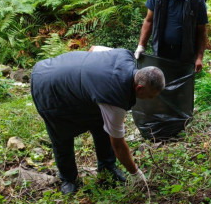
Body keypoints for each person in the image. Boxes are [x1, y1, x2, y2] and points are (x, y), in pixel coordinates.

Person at [31, 48, 165, 195]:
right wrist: (135, 173)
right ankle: (68, 179)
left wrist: (88, 83)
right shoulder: (114, 99)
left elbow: (94, 48)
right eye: (151, 96)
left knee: (102, 123)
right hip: (48, 84)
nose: (150, 99)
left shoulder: (124, 55)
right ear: (139, 88)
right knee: (61, 133)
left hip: (72, 79)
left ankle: (107, 168)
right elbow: (118, 145)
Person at [134, 0, 208, 73]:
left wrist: (199, 58)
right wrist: (141, 45)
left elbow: (202, 30)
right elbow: (149, 20)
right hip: (161, 49)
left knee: (181, 84)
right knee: (159, 82)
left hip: (185, 52)